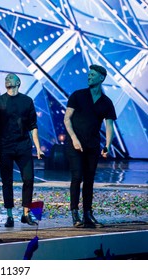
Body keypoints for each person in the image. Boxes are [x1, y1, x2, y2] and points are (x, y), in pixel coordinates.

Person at [64, 64, 116, 228]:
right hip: (75, 144)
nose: (89, 76)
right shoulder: (78, 95)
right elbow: (67, 119)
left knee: (89, 180)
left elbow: (109, 126)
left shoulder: (106, 102)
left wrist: (107, 145)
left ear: (101, 78)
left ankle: (88, 213)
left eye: (93, 75)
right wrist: (74, 138)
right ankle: (75, 213)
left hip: (92, 146)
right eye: (89, 74)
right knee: (77, 177)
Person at [0, 73, 44, 227]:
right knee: (6, 181)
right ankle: (9, 215)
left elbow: (33, 126)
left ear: (18, 82)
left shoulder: (27, 101)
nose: (7, 79)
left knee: (28, 179)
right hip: (5, 146)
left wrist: (38, 148)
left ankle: (26, 214)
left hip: (23, 146)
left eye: (11, 78)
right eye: (6, 78)